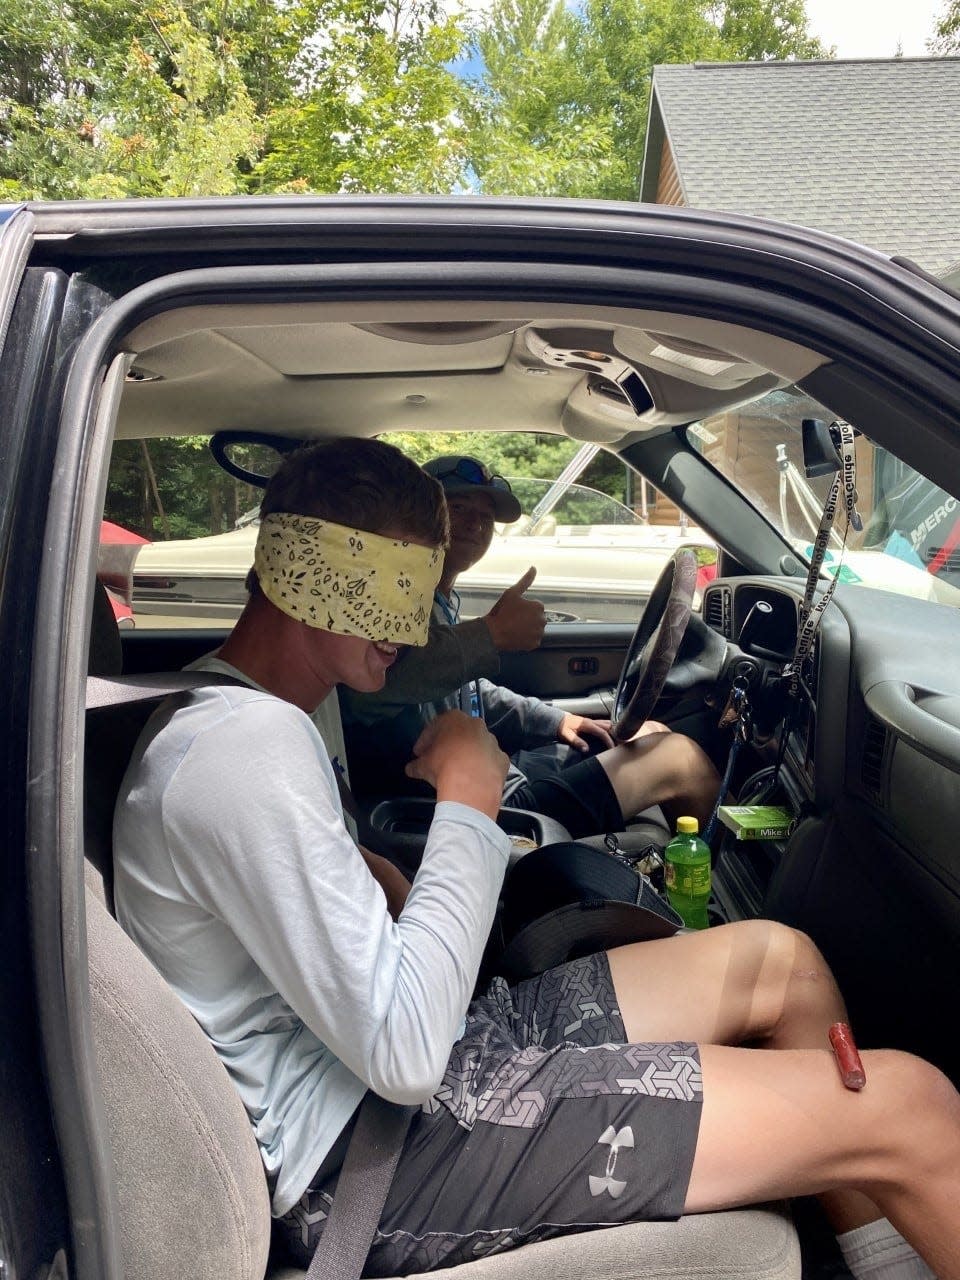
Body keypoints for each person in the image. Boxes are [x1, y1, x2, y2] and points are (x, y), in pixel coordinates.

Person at [113, 438, 960, 1280]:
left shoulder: (276, 713)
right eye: (399, 587)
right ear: (317, 576)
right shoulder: (238, 746)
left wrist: (395, 872)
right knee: (911, 1105)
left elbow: (349, 910)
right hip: (368, 1153)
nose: (414, 631)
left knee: (782, 961)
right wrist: (469, 802)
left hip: (419, 1059)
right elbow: (404, 1056)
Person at [342, 453, 720, 839]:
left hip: (497, 775)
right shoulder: (393, 607)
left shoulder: (437, 602)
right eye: (457, 507)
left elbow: (470, 691)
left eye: (486, 517)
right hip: (480, 809)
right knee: (681, 760)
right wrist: (489, 634)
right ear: (421, 517)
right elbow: (374, 689)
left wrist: (556, 721)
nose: (475, 523)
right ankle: (723, 890)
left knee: (649, 731)